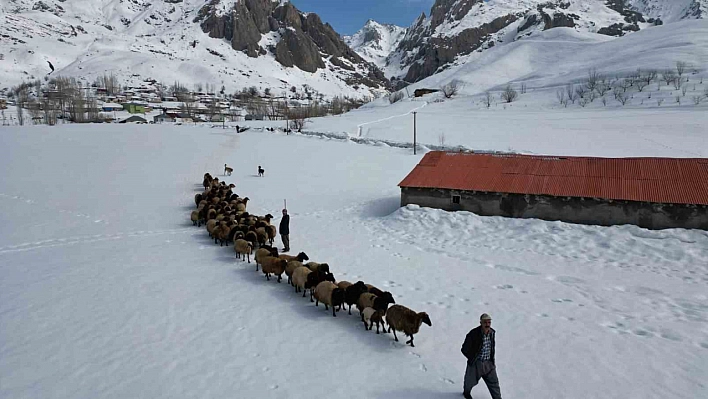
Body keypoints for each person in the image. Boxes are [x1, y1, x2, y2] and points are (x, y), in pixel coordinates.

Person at [461, 313, 502, 399]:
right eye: (485, 322)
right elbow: (464, 349)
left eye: (489, 322)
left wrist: (492, 361)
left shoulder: (492, 333)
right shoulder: (473, 334)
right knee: (469, 382)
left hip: (489, 364)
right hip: (476, 363)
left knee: (494, 383)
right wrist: (472, 358)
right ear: (481, 323)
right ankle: (466, 393)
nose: (487, 324)